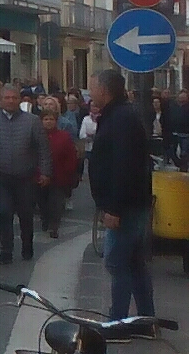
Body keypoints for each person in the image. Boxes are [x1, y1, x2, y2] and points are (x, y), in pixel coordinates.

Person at [88, 70, 156, 320]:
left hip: (125, 207)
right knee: (134, 262)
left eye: (92, 87)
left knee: (116, 263)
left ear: (104, 90)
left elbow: (124, 166)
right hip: (130, 204)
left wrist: (114, 208)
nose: (90, 92)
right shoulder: (117, 115)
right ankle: (146, 319)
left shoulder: (122, 118)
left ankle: (118, 321)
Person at [0, 85, 51, 265]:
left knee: (26, 214)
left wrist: (45, 172)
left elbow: (43, 148)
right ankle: (6, 251)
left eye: (14, 98)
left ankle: (27, 246)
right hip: (1, 175)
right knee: (4, 212)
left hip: (25, 176)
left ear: (19, 100)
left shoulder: (32, 121)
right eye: (7, 98)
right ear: (1, 100)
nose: (10, 101)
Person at [38, 109, 77, 239]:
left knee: (56, 203)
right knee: (42, 201)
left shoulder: (64, 136)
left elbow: (71, 156)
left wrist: (69, 173)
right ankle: (45, 220)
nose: (48, 122)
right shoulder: (37, 136)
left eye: (51, 119)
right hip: (40, 176)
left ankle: (54, 226)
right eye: (46, 119)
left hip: (59, 176)